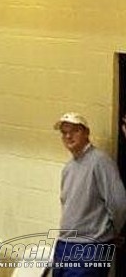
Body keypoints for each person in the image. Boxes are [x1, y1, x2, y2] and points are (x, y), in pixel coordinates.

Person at [52, 112, 126, 276]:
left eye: (75, 131)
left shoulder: (100, 161)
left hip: (90, 246)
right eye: (64, 132)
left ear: (86, 133)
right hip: (65, 243)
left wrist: (114, 232)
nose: (68, 136)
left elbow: (118, 203)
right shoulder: (69, 168)